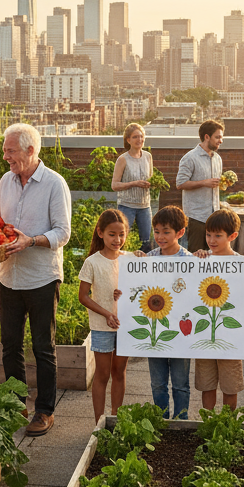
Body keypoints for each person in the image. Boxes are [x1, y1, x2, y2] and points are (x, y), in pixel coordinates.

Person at [0, 122, 72, 437]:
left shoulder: (55, 184)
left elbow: (63, 233)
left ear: (30, 150)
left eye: (10, 151)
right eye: (4, 151)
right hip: (9, 276)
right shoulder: (6, 181)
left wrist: (31, 240)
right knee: (10, 346)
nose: (5, 157)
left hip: (41, 278)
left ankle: (44, 411)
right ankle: (16, 404)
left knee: (43, 347)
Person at [192, 207, 244, 411]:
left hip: (230, 337)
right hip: (204, 335)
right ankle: (208, 423)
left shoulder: (241, 264)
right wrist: (196, 259)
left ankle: (228, 426)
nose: (211, 240)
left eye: (218, 236)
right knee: (206, 384)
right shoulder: (201, 260)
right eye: (208, 234)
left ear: (233, 236)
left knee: (230, 386)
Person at [137, 205, 193, 419]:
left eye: (166, 232)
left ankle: (182, 420)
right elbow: (136, 290)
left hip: (180, 332)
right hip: (156, 331)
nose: (160, 236)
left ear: (180, 232)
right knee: (157, 383)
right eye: (157, 231)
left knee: (180, 383)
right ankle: (161, 420)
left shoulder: (190, 261)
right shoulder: (147, 259)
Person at [78, 209, 132, 423]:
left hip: (125, 326)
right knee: (102, 374)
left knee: (119, 371)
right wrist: (106, 313)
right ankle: (99, 422)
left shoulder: (130, 260)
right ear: (100, 233)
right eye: (112, 234)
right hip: (101, 326)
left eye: (122, 234)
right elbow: (83, 296)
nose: (117, 239)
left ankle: (116, 419)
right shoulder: (92, 262)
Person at [175, 120, 225, 253]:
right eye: (218, 137)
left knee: (213, 256)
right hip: (196, 217)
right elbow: (180, 183)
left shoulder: (217, 159)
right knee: (196, 256)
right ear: (207, 137)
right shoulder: (190, 158)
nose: (221, 140)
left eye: (221, 137)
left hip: (214, 217)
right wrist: (204, 182)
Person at [112, 123, 154, 254]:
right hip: (127, 206)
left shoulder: (148, 156)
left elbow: (151, 178)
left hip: (144, 206)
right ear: (128, 140)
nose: (139, 140)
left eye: (141, 136)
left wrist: (152, 184)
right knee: (123, 240)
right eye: (135, 137)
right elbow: (114, 185)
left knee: (147, 242)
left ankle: (144, 269)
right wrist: (133, 183)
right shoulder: (123, 159)